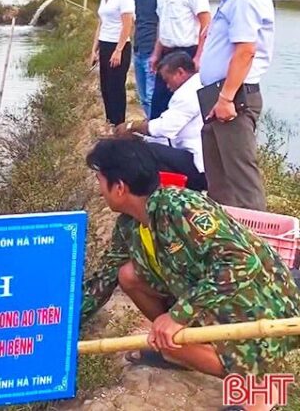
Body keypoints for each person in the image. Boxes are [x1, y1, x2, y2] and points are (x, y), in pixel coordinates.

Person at [82, 139, 300, 410]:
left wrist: (178, 315)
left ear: (119, 187)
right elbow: (104, 278)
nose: (99, 189)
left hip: (257, 309)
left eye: (100, 180)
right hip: (212, 302)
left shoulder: (180, 207)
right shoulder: (129, 225)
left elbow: (242, 262)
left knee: (174, 341)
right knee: (128, 275)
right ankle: (183, 351)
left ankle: (260, 390)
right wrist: (62, 329)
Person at [199, 0, 274, 211]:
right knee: (219, 181)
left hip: (233, 97)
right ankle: (227, 244)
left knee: (242, 183)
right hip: (220, 95)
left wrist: (226, 98)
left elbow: (245, 51)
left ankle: (257, 246)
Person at [114, 51, 205, 191]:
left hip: (197, 163)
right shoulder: (200, 83)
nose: (167, 86)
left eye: (168, 80)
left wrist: (133, 126)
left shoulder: (185, 94)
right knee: (150, 145)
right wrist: (143, 137)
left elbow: (165, 129)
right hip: (205, 158)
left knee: (147, 152)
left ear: (180, 72)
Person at [150, 0, 211, 119]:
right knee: (159, 105)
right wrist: (156, 53)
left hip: (186, 54)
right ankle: (157, 145)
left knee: (182, 108)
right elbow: (164, 23)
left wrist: (199, 57)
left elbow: (206, 22)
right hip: (166, 54)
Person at [89, 0, 135, 126]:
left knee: (116, 87)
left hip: (119, 46)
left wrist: (118, 50)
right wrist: (94, 50)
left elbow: (127, 25)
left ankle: (119, 124)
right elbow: (101, 24)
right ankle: (110, 122)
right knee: (106, 87)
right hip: (105, 44)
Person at [125, 0, 159, 117]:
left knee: (153, 96)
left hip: (153, 52)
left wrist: (157, 53)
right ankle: (150, 125)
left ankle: (156, 133)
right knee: (143, 96)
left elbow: (163, 23)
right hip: (138, 50)